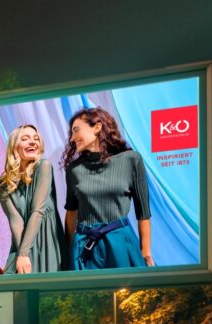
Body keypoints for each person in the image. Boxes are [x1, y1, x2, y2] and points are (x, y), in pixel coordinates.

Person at [62, 107, 153, 269]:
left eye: (76, 131)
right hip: (84, 246)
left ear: (97, 127)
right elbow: (71, 213)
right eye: (71, 133)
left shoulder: (132, 160)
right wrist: (68, 253)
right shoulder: (73, 169)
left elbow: (143, 213)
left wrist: (146, 252)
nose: (72, 138)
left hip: (121, 242)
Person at [0, 124, 65, 274]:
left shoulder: (43, 166)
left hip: (46, 242)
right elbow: (15, 220)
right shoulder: (2, 184)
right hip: (21, 242)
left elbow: (38, 210)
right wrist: (22, 254)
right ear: (15, 146)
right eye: (25, 139)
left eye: (36, 139)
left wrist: (24, 253)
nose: (33, 142)